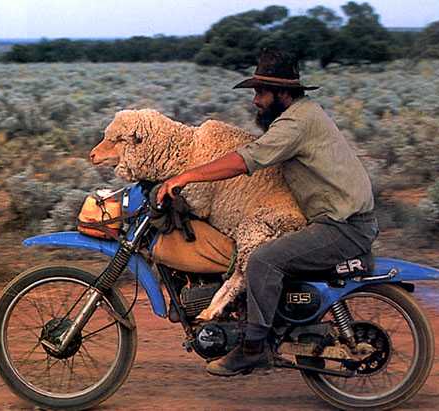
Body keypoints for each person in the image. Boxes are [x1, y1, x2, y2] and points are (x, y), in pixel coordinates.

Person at [156, 48, 379, 377]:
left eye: (261, 92)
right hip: (337, 220)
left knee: (263, 259)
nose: (255, 101)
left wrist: (186, 176)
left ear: (284, 93)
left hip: (342, 227)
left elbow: (248, 158)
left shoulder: (297, 123)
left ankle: (253, 348)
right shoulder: (301, 115)